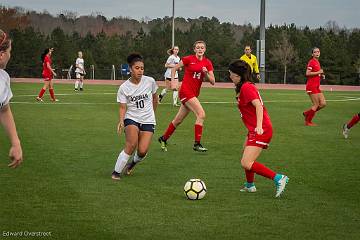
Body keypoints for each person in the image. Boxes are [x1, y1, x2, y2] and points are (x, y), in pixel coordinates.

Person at [228, 59, 288, 198]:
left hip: (262, 129)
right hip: (254, 129)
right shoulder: (243, 86)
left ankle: (279, 178)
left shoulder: (247, 87)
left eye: (231, 73)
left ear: (238, 75)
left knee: (246, 162)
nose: (229, 76)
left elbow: (258, 106)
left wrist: (259, 126)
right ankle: (250, 186)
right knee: (245, 156)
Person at [158, 40, 215, 152]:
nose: (200, 49)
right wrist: (174, 82)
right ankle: (197, 144)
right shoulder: (188, 59)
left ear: (205, 49)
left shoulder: (207, 63)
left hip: (194, 94)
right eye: (197, 47)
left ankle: (163, 138)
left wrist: (206, 73)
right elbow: (174, 68)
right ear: (194, 49)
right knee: (201, 114)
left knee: (178, 120)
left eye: (202, 47)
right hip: (185, 91)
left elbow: (213, 81)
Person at [112, 53, 158, 180]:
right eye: (137, 68)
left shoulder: (150, 81)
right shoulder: (123, 87)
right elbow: (122, 107)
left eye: (142, 68)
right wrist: (121, 121)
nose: (140, 71)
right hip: (131, 118)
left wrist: (152, 114)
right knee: (131, 144)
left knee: (142, 151)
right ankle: (116, 172)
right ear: (130, 69)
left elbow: (155, 99)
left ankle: (132, 164)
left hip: (148, 119)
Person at [0, 29, 23, 168]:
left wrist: (16, 143)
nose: (10, 55)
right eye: (10, 52)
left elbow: (4, 110)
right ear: (2, 55)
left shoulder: (3, 78)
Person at [302, 47, 326, 126]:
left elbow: (315, 73)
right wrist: (319, 72)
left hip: (316, 87)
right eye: (315, 52)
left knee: (323, 104)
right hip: (311, 87)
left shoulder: (317, 62)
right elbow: (307, 73)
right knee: (316, 104)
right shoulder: (311, 62)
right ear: (312, 54)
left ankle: (307, 113)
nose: (317, 53)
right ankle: (308, 122)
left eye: (318, 51)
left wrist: (321, 75)